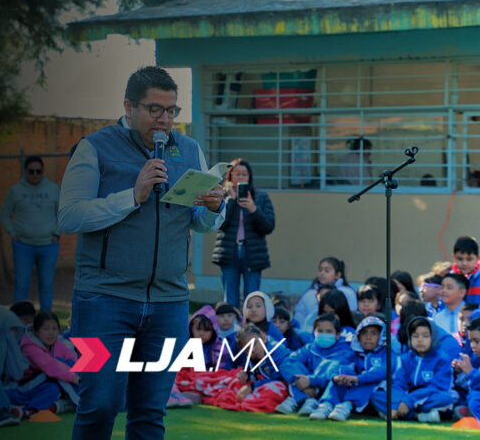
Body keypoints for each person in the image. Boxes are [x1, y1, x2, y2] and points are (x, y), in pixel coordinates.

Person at [57, 66, 225, 440]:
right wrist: (132, 197)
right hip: (102, 301)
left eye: (172, 111)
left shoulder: (190, 149)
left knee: (150, 414)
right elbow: (68, 216)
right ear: (128, 106)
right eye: (154, 110)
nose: (165, 120)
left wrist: (214, 207)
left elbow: (199, 222)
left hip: (168, 304)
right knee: (99, 407)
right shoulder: (94, 147)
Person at [0, 155, 61, 312]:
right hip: (23, 245)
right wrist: (13, 233)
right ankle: (19, 322)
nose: (35, 175)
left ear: (43, 171)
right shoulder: (16, 191)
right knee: (21, 286)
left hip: (48, 245)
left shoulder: (53, 189)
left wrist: (57, 233)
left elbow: (62, 212)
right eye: (31, 171)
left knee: (46, 286)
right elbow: (4, 214)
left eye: (38, 171)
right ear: (25, 171)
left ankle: (47, 323)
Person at [211, 159, 275, 309]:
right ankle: (231, 329)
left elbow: (268, 227)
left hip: (252, 253)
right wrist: (231, 199)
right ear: (230, 177)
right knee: (230, 299)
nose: (240, 178)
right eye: (237, 174)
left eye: (244, 174)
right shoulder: (223, 197)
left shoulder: (261, 197)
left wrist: (253, 209)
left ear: (249, 177)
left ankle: (250, 329)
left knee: (252, 298)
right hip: (229, 252)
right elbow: (219, 224)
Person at [318, 315, 396, 421]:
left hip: (382, 391)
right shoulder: (354, 353)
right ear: (358, 336)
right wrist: (335, 376)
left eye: (373, 333)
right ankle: (326, 405)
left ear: (381, 336)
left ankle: (346, 406)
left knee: (370, 380)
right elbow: (335, 365)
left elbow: (384, 370)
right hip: (356, 389)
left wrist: (358, 378)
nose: (368, 337)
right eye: (364, 333)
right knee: (342, 373)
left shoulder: (387, 353)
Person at [376, 317, 453, 422]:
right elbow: (399, 384)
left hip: (428, 396)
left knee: (445, 398)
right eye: (415, 336)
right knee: (377, 396)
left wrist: (409, 401)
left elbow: (437, 387)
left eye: (425, 336)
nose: (420, 340)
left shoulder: (441, 359)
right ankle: (415, 415)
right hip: (405, 396)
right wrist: (395, 405)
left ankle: (405, 414)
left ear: (433, 337)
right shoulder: (406, 358)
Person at [277, 313, 354, 416]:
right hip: (306, 387)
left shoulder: (345, 352)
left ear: (337, 335)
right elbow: (288, 362)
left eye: (329, 331)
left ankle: (300, 399)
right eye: (320, 331)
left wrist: (310, 381)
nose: (324, 334)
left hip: (328, 392)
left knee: (331, 367)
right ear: (314, 332)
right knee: (293, 365)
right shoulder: (309, 348)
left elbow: (333, 373)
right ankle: (305, 398)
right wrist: (303, 383)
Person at [19, 311, 79, 415]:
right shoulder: (29, 347)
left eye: (54, 329)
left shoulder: (57, 343)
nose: (50, 332)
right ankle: (83, 403)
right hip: (24, 387)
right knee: (59, 369)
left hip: (46, 384)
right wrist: (75, 378)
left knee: (54, 387)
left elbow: (71, 357)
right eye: (46, 329)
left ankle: (31, 410)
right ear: (36, 331)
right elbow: (50, 366)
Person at [293, 257, 357, 333]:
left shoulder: (347, 292)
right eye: (320, 270)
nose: (322, 273)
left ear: (337, 275)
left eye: (327, 271)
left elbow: (350, 315)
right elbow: (299, 317)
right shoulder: (309, 294)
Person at [450, 236, 480, 306]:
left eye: (469, 259)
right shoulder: (450, 278)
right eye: (460, 259)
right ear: (454, 257)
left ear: (478, 258)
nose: (464, 263)